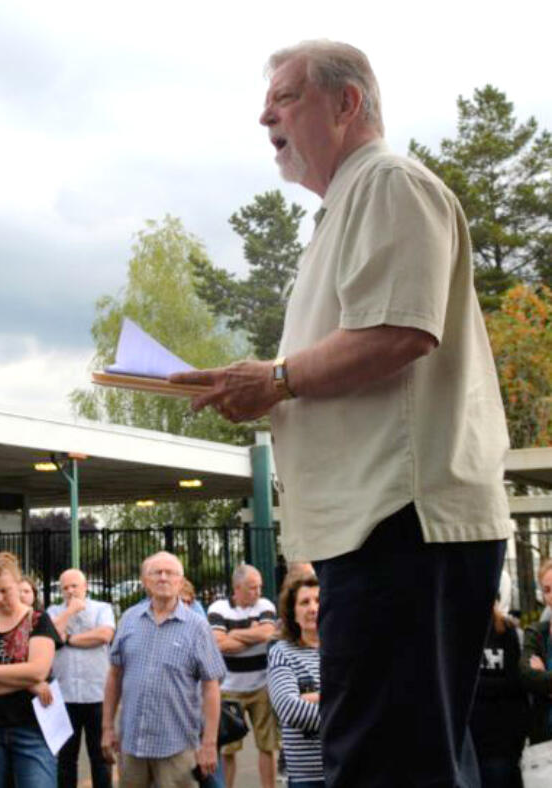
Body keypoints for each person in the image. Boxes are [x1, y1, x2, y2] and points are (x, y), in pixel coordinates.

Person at [170, 40, 510, 785]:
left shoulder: (388, 183)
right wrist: (266, 387)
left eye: (285, 97)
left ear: (347, 102)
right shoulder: (347, 207)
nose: (265, 115)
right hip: (384, 529)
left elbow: (399, 332)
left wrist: (279, 379)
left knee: (385, 765)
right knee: (400, 759)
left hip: (404, 525)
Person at [102, 551, 224, 787]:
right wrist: (107, 728)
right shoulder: (128, 619)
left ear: (181, 581)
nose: (163, 578)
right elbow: (114, 675)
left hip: (177, 746)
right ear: (145, 581)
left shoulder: (197, 627)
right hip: (132, 743)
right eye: (156, 572)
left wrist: (209, 743)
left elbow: (211, 686)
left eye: (170, 573)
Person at [0, 551, 60, 788]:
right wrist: (29, 683)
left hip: (34, 728)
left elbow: (39, 671)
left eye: (5, 590)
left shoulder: (39, 620)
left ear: (18, 585)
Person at [207, 564, 278, 788]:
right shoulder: (218, 608)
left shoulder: (265, 604)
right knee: (228, 749)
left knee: (267, 746)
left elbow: (268, 633)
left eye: (259, 587)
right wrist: (252, 634)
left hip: (262, 686)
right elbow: (218, 643)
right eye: (251, 588)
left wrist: (235, 633)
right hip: (229, 688)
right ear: (237, 588)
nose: (257, 592)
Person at [47, 568, 115, 788]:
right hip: (65, 695)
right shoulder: (53, 611)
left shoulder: (102, 609)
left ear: (85, 587)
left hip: (97, 693)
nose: (70, 591)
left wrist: (68, 638)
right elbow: (49, 636)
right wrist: (69, 612)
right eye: (65, 587)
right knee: (66, 758)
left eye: (74, 586)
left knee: (100, 756)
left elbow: (104, 635)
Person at [266, 574, 323, 787]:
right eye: (304, 602)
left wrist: (311, 697)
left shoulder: (346, 651)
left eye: (318, 600)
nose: (313, 608)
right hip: (307, 778)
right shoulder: (282, 653)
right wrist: (345, 715)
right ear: (293, 613)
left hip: (349, 770)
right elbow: (291, 710)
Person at [469, 586, 527, 787]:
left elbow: (515, 684)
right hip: (472, 740)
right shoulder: (459, 633)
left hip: (501, 741)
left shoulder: (506, 631)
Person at [522, 558, 552, 747]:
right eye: (547, 590)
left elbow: (537, 680)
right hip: (544, 740)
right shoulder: (536, 633)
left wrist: (544, 679)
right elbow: (526, 676)